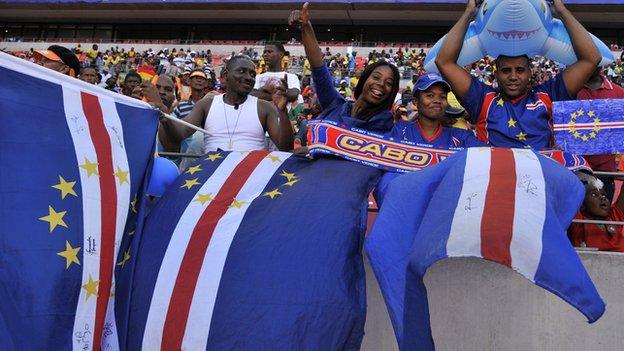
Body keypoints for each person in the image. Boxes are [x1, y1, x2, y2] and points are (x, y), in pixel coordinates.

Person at [435, 0, 601, 149]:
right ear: (496, 74)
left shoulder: (549, 94)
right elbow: (444, 62)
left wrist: (562, 10)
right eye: (506, 70)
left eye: (520, 70)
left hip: (540, 179)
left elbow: (591, 59)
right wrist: (468, 14)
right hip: (494, 178)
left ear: (530, 72)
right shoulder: (482, 98)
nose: (513, 77)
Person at [288, 2, 399, 135]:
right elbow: (318, 68)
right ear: (363, 80)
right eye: (376, 77)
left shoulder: (387, 126)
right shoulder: (334, 104)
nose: (381, 84)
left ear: (391, 92)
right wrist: (305, 26)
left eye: (389, 83)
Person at [159, 55, 293, 153]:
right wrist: (165, 119)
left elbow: (285, 147)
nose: (248, 77)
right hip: (213, 174)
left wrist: (282, 111)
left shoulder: (264, 107)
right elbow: (180, 133)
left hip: (251, 176)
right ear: (224, 75)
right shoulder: (206, 104)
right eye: (241, 71)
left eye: (252, 74)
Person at [395, 74, 485, 148]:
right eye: (430, 95)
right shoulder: (399, 131)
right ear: (416, 102)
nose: (437, 100)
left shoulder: (462, 137)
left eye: (442, 97)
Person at [577, 67, 624, 201]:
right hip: (576, 169)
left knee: (602, 219)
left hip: (605, 172)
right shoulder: (570, 90)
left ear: (602, 63)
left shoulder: (619, 92)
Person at [568, 172, 624, 252]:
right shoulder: (578, 222)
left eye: (604, 195)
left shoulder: (614, 217)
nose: (602, 198)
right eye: (594, 195)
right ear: (582, 205)